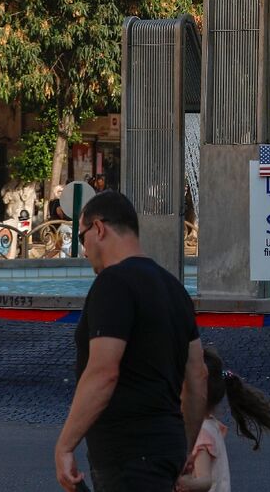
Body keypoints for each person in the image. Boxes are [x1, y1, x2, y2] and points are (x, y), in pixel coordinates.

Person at [55, 191, 208, 492]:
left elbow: (103, 371)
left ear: (99, 229)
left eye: (82, 238)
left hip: (126, 453)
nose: (84, 251)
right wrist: (184, 447)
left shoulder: (113, 283)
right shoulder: (175, 289)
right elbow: (198, 377)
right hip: (167, 448)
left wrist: (65, 445)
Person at [175, 348, 270, 492]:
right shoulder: (212, 425)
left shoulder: (200, 433)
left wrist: (186, 484)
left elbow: (205, 480)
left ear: (196, 394)